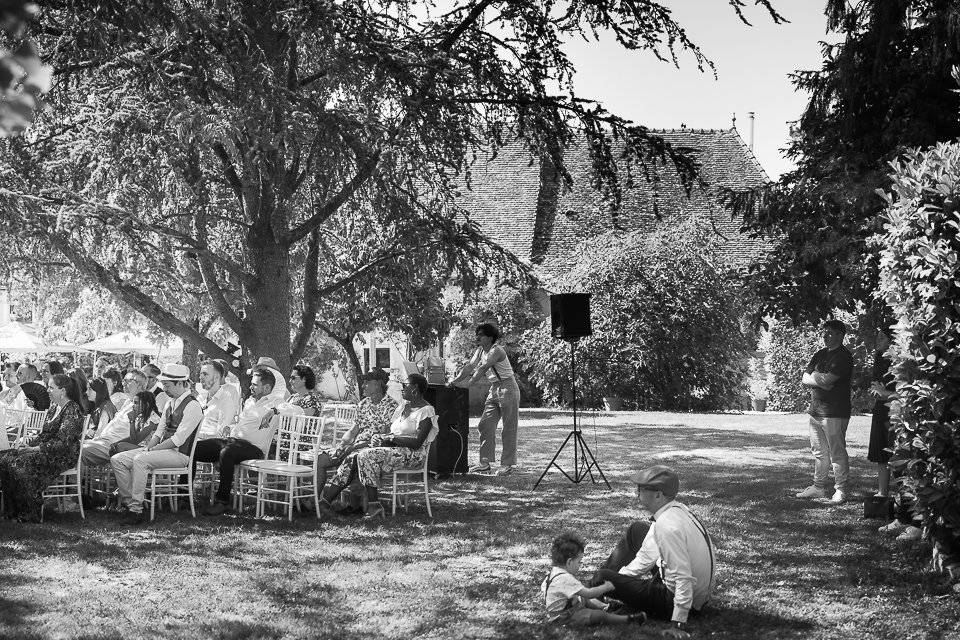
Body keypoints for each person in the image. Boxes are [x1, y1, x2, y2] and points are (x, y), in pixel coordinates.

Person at [590, 466, 715, 639]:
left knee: (602, 576)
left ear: (658, 494)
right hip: (693, 594)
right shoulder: (675, 510)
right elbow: (646, 556)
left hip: (673, 600)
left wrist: (678, 623)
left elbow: (683, 577)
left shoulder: (667, 526)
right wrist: (621, 580)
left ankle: (589, 592)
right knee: (637, 530)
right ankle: (594, 591)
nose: (637, 493)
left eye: (641, 489)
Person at [320, 373, 438, 518]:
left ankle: (373, 505)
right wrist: (379, 438)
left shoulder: (426, 411)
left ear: (414, 389)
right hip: (393, 450)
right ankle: (326, 502)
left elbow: (417, 442)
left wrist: (391, 438)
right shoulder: (402, 408)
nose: (402, 390)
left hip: (413, 454)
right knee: (356, 456)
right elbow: (389, 430)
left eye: (404, 386)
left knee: (365, 455)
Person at [197, 367, 303, 516]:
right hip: (233, 440)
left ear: (266, 388)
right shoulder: (249, 402)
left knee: (226, 453)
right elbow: (244, 425)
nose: (250, 387)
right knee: (195, 448)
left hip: (254, 448)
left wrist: (275, 411)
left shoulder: (276, 402)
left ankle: (222, 501)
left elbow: (298, 411)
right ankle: (183, 492)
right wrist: (231, 427)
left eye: (254, 384)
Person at [111, 363, 202, 524]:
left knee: (140, 459)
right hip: (161, 451)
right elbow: (159, 432)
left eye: (167, 385)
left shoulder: (193, 406)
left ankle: (136, 510)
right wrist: (149, 448)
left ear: (180, 383)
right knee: (117, 459)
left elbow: (178, 440)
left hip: (180, 454)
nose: (164, 388)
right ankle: (129, 502)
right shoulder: (169, 403)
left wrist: (151, 451)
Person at [0, 373, 86, 521]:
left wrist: (35, 449)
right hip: (46, 450)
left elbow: (64, 442)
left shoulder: (72, 409)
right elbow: (44, 434)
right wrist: (29, 444)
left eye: (51, 388)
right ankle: (12, 510)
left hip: (62, 455)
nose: (48, 391)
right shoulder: (54, 408)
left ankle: (30, 513)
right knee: (5, 457)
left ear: (63, 391)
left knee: (21, 464)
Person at [449, 322, 520, 476]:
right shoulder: (480, 350)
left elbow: (483, 368)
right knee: (485, 425)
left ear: (490, 337)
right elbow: (470, 366)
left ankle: (507, 465)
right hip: (494, 388)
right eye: (478, 334)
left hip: (508, 388)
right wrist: (454, 381)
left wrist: (468, 384)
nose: (477, 337)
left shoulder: (497, 350)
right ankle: (485, 463)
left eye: (481, 335)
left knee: (508, 428)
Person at [796, 319, 855, 504]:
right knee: (819, 452)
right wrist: (817, 379)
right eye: (824, 333)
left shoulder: (844, 356)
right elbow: (805, 378)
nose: (825, 336)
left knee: (837, 452)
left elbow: (830, 379)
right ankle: (818, 487)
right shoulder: (820, 354)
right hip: (816, 411)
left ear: (840, 335)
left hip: (835, 412)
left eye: (829, 333)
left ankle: (841, 490)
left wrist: (818, 377)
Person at [541, 532, 646, 627]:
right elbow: (589, 593)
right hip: (563, 619)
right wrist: (606, 587)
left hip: (565, 611)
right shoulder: (564, 579)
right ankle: (628, 620)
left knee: (582, 598)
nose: (580, 565)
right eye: (579, 562)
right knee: (599, 615)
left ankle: (606, 606)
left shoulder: (552, 575)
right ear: (569, 562)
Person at [316, 368, 398, 488]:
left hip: (371, 449)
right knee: (321, 460)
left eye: (366, 383)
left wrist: (352, 448)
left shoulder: (391, 406)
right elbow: (353, 430)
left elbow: (383, 438)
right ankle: (315, 503)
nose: (363, 386)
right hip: (354, 446)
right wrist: (342, 445)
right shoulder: (363, 404)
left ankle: (356, 505)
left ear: (377, 384)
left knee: (353, 460)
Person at [80, 371, 149, 466]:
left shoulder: (143, 405)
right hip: (102, 441)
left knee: (77, 450)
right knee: (72, 446)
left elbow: (139, 436)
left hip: (114, 446)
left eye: (128, 381)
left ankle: (71, 480)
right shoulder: (128, 402)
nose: (123, 383)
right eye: (124, 380)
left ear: (139, 385)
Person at [868, 329, 896, 498]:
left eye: (882, 337)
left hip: (895, 411)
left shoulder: (898, 362)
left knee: (897, 453)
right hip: (880, 409)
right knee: (881, 453)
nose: (878, 340)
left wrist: (884, 393)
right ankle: (882, 493)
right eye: (877, 336)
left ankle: (905, 496)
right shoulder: (878, 359)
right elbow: (877, 387)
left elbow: (903, 392)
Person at [196, 359, 240, 440]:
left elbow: (220, 435)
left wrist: (196, 434)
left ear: (216, 377)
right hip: (193, 442)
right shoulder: (200, 397)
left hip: (208, 445)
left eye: (205, 374)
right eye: (200, 374)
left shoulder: (226, 400)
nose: (200, 377)